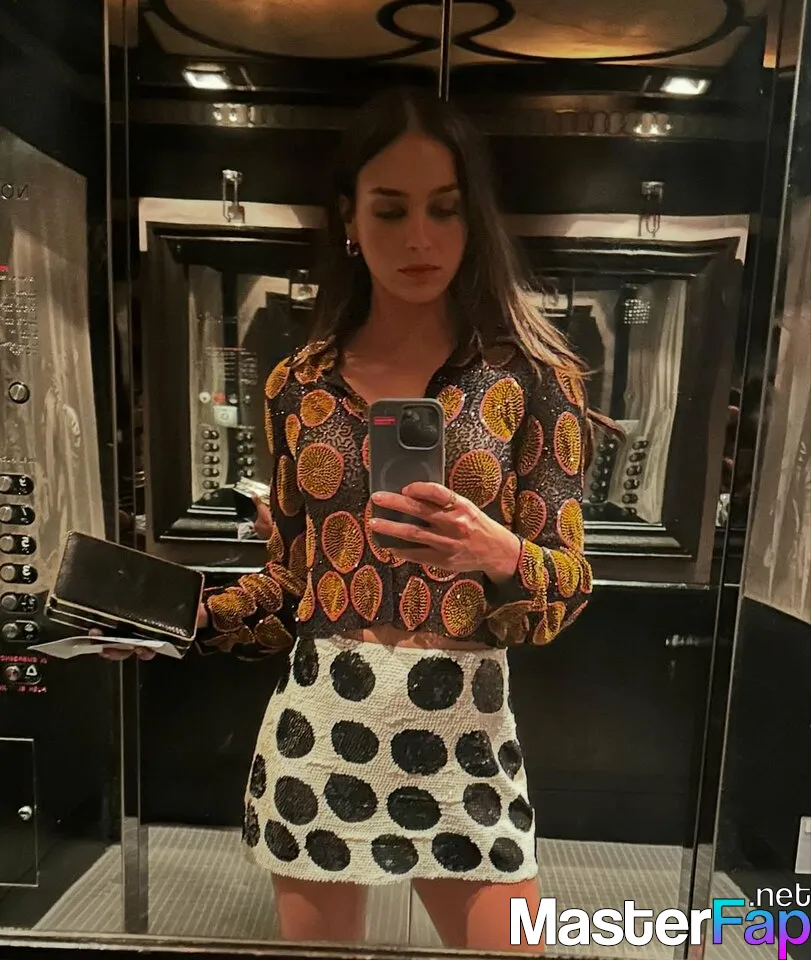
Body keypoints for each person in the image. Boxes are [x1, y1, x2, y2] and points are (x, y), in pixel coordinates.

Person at [103, 86, 606, 952]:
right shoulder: (296, 384)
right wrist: (182, 620)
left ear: (474, 218)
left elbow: (568, 586)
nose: (419, 238)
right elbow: (292, 583)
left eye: (444, 209)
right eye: (391, 208)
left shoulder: (532, 378)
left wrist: (498, 553)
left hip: (463, 727)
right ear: (349, 218)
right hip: (324, 720)